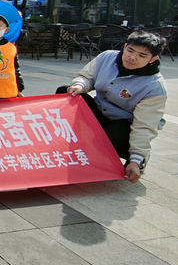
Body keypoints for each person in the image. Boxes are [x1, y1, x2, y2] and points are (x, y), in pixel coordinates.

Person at [59, 31, 167, 183]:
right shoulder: (107, 57)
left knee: (113, 136)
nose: (132, 57)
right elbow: (86, 77)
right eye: (130, 50)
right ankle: (77, 143)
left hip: (124, 124)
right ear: (125, 46)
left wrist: (137, 158)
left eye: (142, 55)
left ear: (153, 59)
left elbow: (144, 126)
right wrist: (80, 85)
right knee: (65, 92)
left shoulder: (155, 87)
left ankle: (134, 157)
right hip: (100, 111)